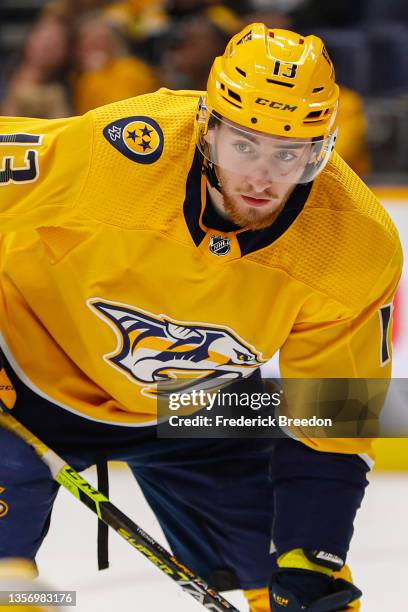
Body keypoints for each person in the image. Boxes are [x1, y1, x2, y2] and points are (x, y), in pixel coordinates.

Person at [0, 24, 402, 612]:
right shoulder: (122, 152)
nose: (264, 178)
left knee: (316, 600)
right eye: (246, 146)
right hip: (25, 373)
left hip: (194, 399)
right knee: (14, 590)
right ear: (207, 128)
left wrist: (311, 555)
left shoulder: (355, 245)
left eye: (289, 154)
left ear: (324, 148)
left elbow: (332, 420)